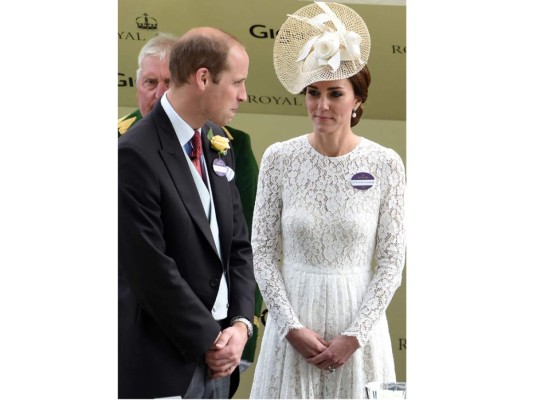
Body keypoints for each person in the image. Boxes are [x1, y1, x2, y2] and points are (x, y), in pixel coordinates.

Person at [250, 2, 406, 398]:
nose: (321, 106)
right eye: (313, 93)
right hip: (292, 329)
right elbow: (263, 252)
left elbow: (391, 261)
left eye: (335, 93)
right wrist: (289, 327)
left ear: (357, 100)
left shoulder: (385, 163)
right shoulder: (279, 158)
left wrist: (354, 335)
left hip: (357, 330)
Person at [118, 27, 256, 399]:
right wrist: (210, 340)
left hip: (222, 363)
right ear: (203, 78)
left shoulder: (220, 144)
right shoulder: (133, 153)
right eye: (237, 82)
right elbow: (150, 269)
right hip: (162, 365)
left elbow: (240, 247)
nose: (243, 94)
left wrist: (240, 326)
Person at [118, 32, 179, 136]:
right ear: (137, 87)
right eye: (151, 82)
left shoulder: (210, 140)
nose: (159, 95)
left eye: (170, 83)